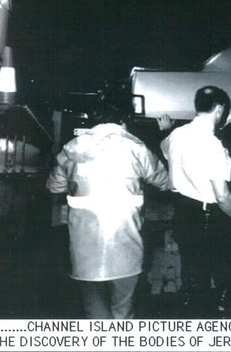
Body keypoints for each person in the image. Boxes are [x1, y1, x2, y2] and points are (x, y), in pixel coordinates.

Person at [46, 108, 171, 319]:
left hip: (84, 249)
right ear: (123, 121)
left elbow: (54, 186)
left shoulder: (72, 148)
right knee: (123, 310)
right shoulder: (136, 147)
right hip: (125, 244)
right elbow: (166, 181)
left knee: (94, 312)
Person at [159, 86, 231, 317]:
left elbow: (165, 149)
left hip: (183, 213)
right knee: (229, 278)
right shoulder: (213, 146)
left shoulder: (177, 136)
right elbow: (222, 195)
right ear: (219, 109)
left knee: (192, 278)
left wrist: (167, 129)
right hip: (210, 219)